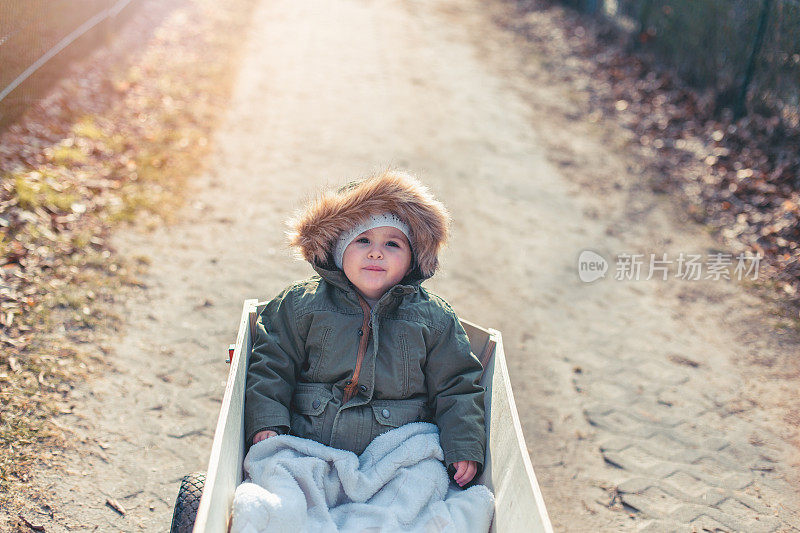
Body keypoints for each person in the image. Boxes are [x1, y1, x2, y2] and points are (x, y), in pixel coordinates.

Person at [244, 169, 485, 487]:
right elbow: (271, 365)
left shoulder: (434, 320)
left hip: (395, 454)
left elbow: (457, 386)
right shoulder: (301, 304)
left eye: (393, 244)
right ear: (338, 248)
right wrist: (268, 422)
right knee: (281, 484)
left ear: (413, 258)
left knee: (425, 485)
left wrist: (463, 444)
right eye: (363, 240)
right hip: (309, 444)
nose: (376, 252)